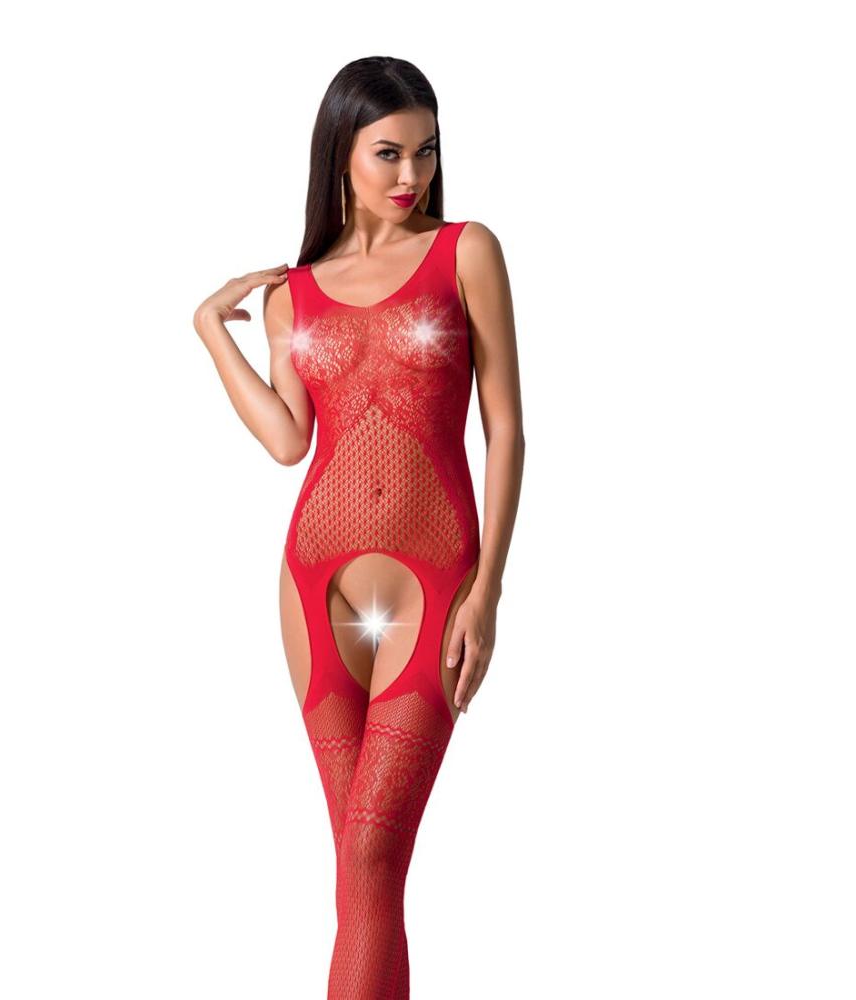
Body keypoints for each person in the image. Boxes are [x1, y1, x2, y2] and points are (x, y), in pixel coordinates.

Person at [194, 55, 524, 1000]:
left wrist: (488, 592)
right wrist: (213, 329)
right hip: (314, 586)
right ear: (341, 151)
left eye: (426, 151)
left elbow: (505, 427)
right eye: (389, 153)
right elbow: (287, 439)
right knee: (360, 872)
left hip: (437, 583)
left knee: (372, 857)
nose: (411, 174)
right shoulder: (294, 293)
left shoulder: (465, 251)